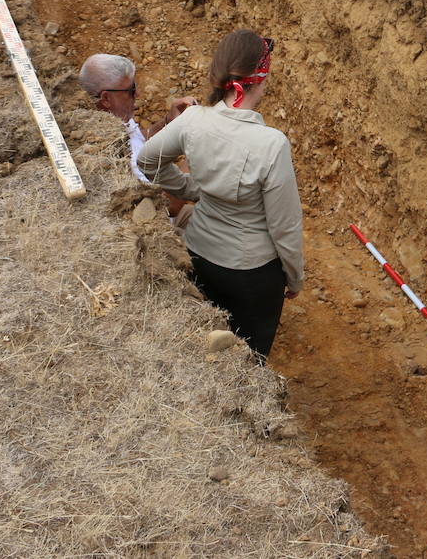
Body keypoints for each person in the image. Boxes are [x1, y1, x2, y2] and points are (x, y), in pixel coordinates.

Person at [136, 30, 304, 359]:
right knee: (249, 360)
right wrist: (295, 277)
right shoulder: (271, 143)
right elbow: (284, 227)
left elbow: (148, 160)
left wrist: (193, 189)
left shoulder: (194, 120)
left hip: (198, 254)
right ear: (262, 77)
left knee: (203, 350)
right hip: (252, 274)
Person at [79, 53, 196, 219]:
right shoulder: (117, 157)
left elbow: (139, 137)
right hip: (159, 226)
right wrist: (195, 153)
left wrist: (168, 122)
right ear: (106, 98)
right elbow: (169, 207)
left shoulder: (111, 119)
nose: (138, 94)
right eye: (131, 90)